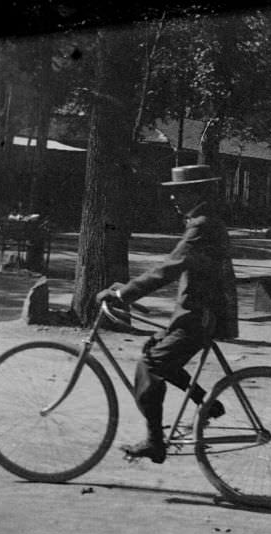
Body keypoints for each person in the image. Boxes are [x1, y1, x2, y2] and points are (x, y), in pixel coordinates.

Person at [96, 165, 238, 464]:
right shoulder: (204, 221)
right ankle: (206, 403)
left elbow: (169, 269)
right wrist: (128, 289)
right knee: (155, 351)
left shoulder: (201, 225)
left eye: (179, 190)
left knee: (151, 364)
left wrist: (124, 294)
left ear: (196, 192)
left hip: (199, 317)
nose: (173, 196)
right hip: (199, 314)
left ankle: (154, 442)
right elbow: (174, 266)